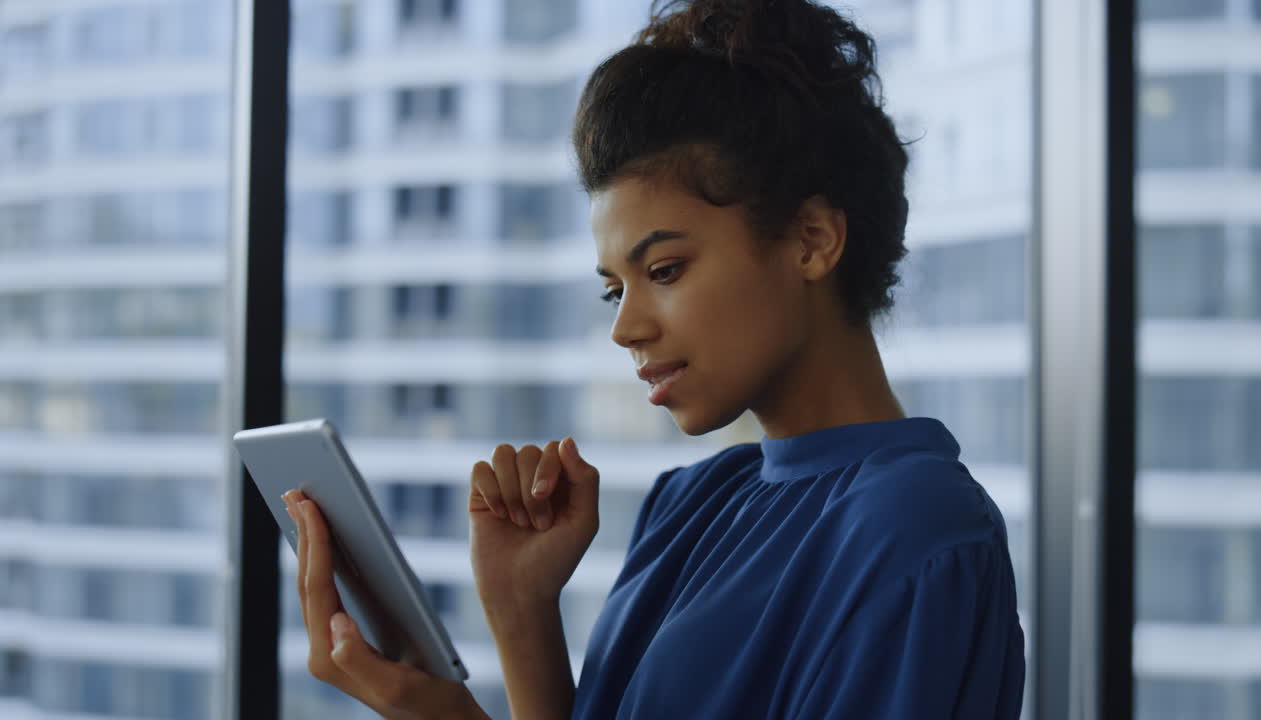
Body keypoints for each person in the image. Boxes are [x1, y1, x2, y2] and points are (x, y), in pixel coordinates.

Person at [281, 0, 1026, 717]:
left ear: (812, 241)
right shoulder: (688, 504)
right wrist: (521, 611)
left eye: (664, 271)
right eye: (614, 290)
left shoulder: (917, 528)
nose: (625, 328)